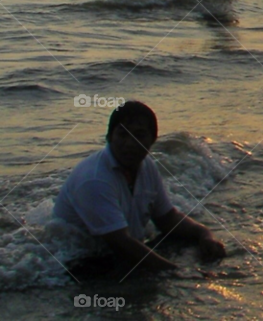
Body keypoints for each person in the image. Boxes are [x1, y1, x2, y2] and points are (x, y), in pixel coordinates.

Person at [53, 101, 226, 272]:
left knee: (191, 248)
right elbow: (121, 243)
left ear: (153, 140)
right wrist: (177, 272)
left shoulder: (146, 166)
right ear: (109, 137)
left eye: (139, 135)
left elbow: (167, 218)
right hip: (75, 264)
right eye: (122, 135)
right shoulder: (94, 180)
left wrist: (204, 235)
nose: (130, 143)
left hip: (118, 250)